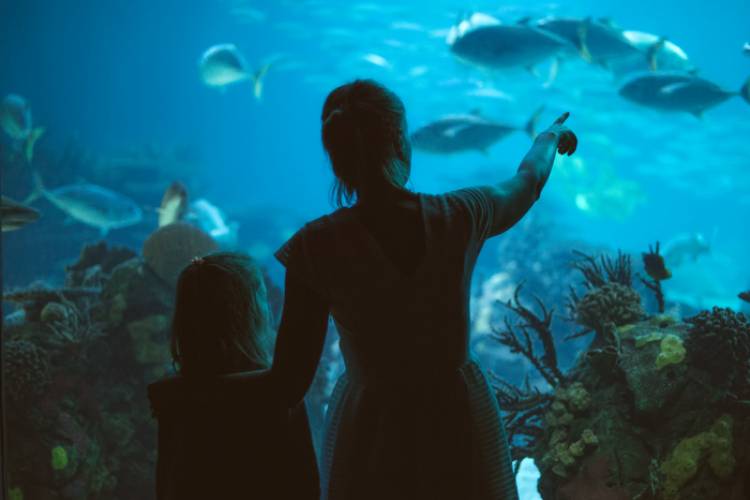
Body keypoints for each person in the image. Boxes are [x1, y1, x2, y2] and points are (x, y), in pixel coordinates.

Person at [228, 79, 576, 499]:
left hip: (371, 428)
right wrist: (547, 138)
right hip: (456, 416)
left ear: (335, 160)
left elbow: (286, 383)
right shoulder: (460, 216)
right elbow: (527, 182)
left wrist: (196, 391)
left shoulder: (314, 248)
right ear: (400, 143)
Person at [147, 252, 319, 500]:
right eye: (262, 296)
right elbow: (306, 484)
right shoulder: (278, 392)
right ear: (251, 313)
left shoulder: (173, 398)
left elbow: (168, 482)